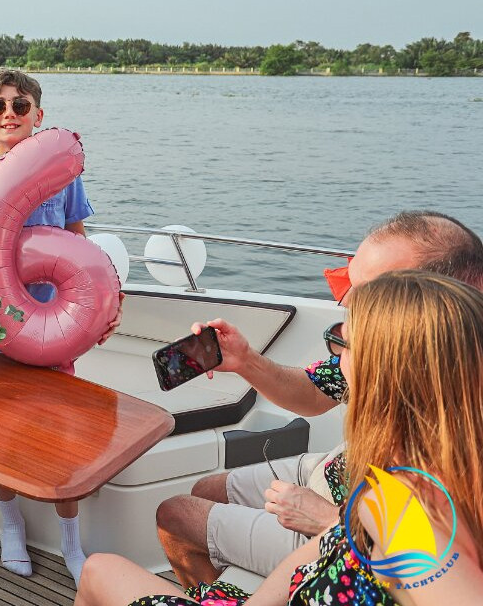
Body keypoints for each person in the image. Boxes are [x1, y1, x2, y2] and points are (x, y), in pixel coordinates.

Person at [75, 269, 483, 606]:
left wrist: (334, 518)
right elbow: (323, 551)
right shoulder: (415, 477)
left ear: (384, 371)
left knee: (99, 571)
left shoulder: (401, 507)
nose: (337, 358)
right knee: (199, 494)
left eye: (345, 342)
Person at [156, 211, 483, 586]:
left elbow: (440, 555)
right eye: (351, 291)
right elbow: (314, 393)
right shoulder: (387, 347)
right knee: (205, 490)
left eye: (371, 296)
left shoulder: (460, 414)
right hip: (339, 472)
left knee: (175, 516)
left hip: (352, 531)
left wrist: (329, 522)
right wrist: (246, 361)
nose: (349, 311)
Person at [0, 68, 120, 585]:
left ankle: (70, 539)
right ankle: (10, 523)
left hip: (55, 325)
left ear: (38, 117)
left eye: (19, 106)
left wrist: (101, 312)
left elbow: (82, 246)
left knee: (64, 435)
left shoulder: (63, 176)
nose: (9, 114)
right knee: (0, 433)